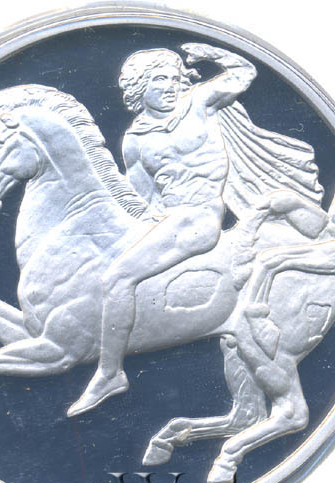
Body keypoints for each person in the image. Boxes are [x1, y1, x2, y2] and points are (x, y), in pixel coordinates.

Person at [67, 44, 258, 416]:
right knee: (109, 263)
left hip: (199, 219)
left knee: (117, 278)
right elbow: (142, 198)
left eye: (173, 78)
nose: (169, 85)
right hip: (168, 220)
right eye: (159, 79)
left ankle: (110, 374)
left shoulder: (199, 102)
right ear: (140, 87)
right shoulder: (135, 140)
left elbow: (244, 73)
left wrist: (210, 52)